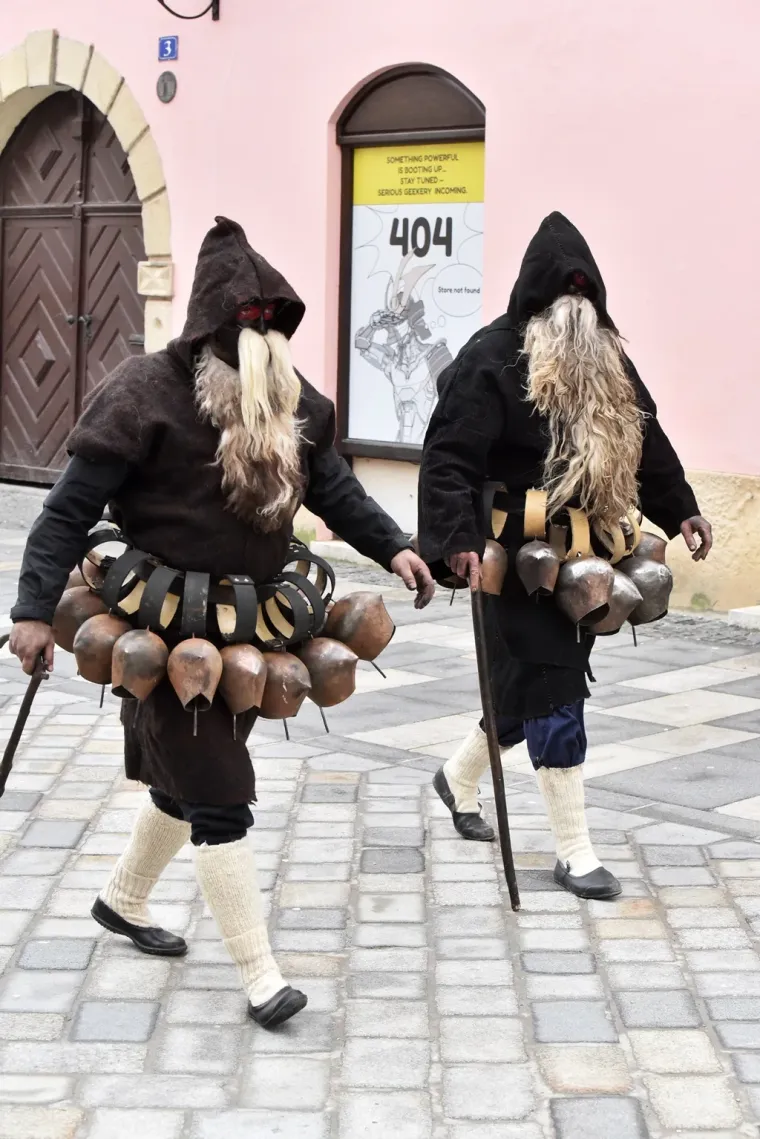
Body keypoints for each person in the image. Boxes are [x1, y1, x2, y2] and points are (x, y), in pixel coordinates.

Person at [9, 216, 434, 1028]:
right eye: (248, 331)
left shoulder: (286, 399)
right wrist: (33, 612)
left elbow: (332, 487)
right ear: (209, 332)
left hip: (250, 625)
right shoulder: (141, 393)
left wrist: (397, 546)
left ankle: (121, 899)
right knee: (219, 793)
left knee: (187, 776)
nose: (263, 350)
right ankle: (261, 975)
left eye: (272, 331)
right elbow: (66, 511)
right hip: (161, 628)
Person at [418, 212, 712, 901]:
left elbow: (648, 442)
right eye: (562, 303)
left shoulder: (609, 361)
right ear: (535, 306)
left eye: (586, 302)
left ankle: (456, 781)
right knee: (554, 688)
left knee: (523, 694)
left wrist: (684, 508)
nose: (576, 315)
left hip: (589, 553)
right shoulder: (493, 356)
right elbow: (449, 456)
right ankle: (574, 852)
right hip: (513, 557)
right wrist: (454, 539)